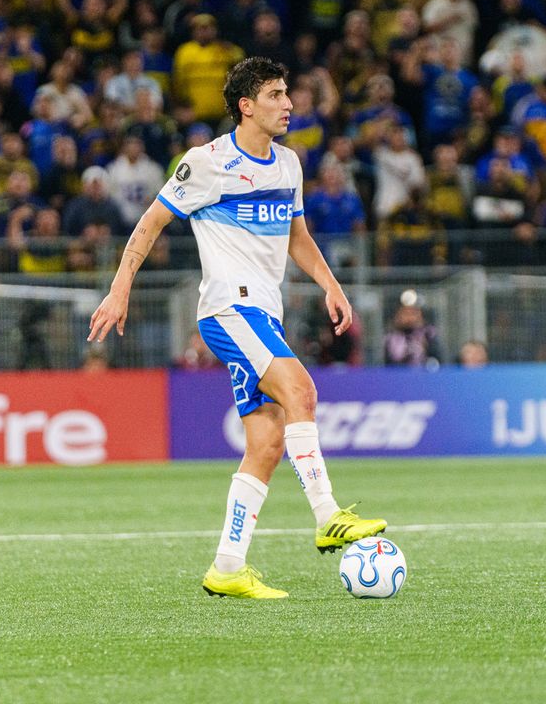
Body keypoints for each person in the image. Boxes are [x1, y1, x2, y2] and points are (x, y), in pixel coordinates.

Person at [87, 57, 386, 599]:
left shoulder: (289, 165)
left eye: (288, 93)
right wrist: (120, 285)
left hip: (263, 311)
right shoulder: (206, 163)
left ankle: (227, 566)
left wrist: (330, 283)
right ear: (246, 106)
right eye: (276, 94)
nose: (289, 104)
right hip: (229, 309)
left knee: (267, 441)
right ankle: (328, 516)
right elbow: (151, 221)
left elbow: (296, 235)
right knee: (302, 390)